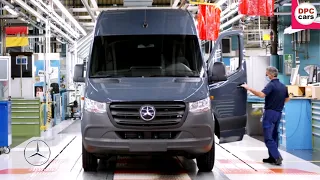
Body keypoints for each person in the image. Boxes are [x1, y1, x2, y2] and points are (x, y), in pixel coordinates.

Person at [241, 66, 290, 165]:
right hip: (278, 113)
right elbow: (287, 99)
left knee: (268, 137)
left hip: (270, 113)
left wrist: (248, 88)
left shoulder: (271, 85)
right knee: (274, 135)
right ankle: (272, 157)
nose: (266, 75)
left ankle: (276, 156)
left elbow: (261, 95)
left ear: (271, 75)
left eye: (266, 74)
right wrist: (279, 104)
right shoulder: (283, 86)